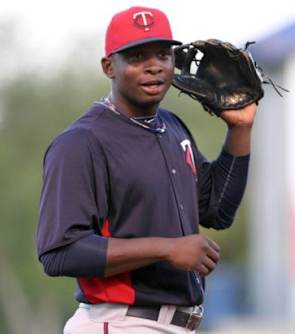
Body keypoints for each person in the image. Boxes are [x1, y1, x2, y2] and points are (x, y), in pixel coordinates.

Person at [36, 6, 258, 334]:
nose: (154, 66)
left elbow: (216, 210)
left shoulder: (171, 127)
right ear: (109, 66)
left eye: (162, 55)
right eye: (138, 56)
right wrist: (167, 248)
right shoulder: (82, 142)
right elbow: (59, 252)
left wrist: (240, 130)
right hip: (119, 322)